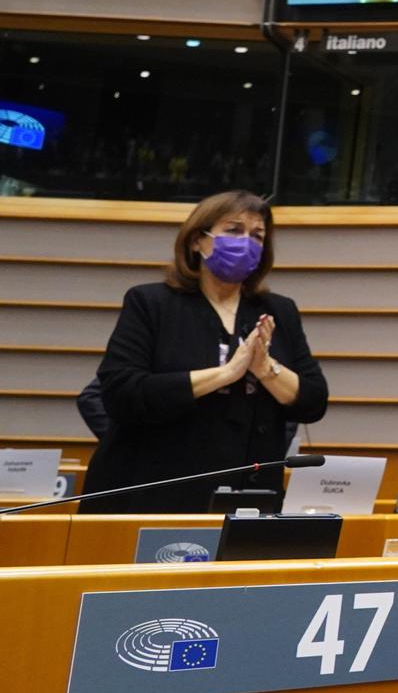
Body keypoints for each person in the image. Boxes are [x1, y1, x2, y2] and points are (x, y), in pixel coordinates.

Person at [85, 190, 329, 514]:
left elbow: (313, 400)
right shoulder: (151, 303)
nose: (246, 242)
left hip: (248, 494)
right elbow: (121, 393)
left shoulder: (278, 311)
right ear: (197, 241)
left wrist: (265, 367)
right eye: (233, 230)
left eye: (257, 235)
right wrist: (226, 374)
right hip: (153, 491)